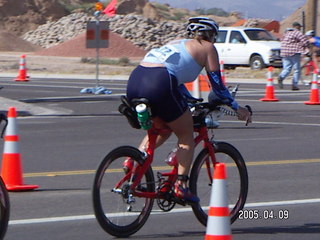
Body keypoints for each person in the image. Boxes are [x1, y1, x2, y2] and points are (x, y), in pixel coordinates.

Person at [124, 17, 251, 203]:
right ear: (212, 35)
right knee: (186, 135)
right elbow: (219, 88)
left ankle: (133, 162)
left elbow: (176, 80)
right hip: (160, 82)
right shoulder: (208, 48)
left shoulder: (176, 43)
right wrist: (238, 108)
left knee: (162, 128)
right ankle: (181, 186)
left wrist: (191, 100)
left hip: (136, 80)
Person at [278, 22, 309, 90]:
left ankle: (281, 77)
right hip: (294, 52)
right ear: (297, 27)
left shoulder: (286, 33)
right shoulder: (297, 33)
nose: (300, 28)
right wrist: (306, 48)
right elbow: (305, 41)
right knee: (297, 69)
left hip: (284, 52)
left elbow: (281, 40)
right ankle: (294, 85)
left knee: (287, 68)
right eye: (299, 27)